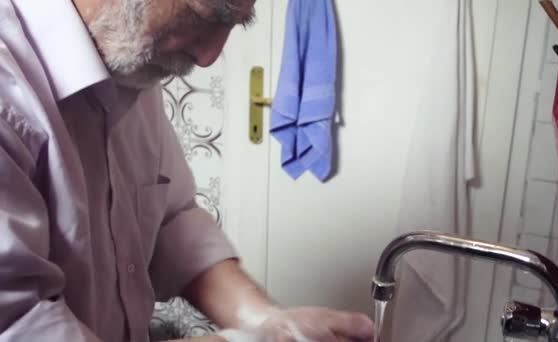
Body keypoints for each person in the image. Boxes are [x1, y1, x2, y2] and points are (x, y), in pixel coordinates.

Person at [0, 0, 375, 341]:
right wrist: (243, 341)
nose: (210, 56)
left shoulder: (131, 71)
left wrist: (265, 320)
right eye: (208, 14)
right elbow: (18, 324)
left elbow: (173, 221)